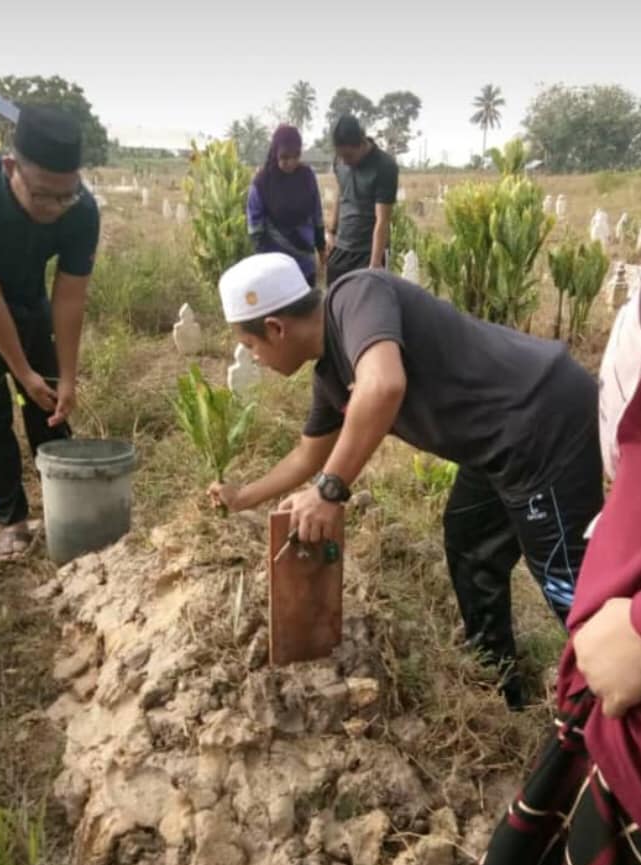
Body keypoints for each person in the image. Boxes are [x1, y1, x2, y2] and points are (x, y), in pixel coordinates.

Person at [462, 4, 641, 865]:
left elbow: (373, 404)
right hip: (631, 697)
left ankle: (532, 631)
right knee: (470, 542)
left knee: (540, 548)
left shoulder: (360, 326)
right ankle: (499, 650)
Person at [210, 254, 604, 709]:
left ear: (276, 328)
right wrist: (243, 497)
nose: (253, 358)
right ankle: (499, 683)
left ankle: (638, 697)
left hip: (542, 418)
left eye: (250, 344)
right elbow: (306, 455)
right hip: (495, 444)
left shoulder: (356, 295)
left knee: (570, 583)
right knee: (470, 542)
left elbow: (382, 386)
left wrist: (329, 491)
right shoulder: (331, 376)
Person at [0, 105, 100, 559]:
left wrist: (64, 376)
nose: (55, 208)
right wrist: (20, 371)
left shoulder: (81, 210)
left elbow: (70, 298)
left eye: (65, 196)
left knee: (49, 403)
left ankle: (61, 506)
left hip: (28, 301)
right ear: (11, 167)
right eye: (43, 196)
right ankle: (11, 520)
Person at [247, 125, 326, 286]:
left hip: (306, 264)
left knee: (308, 309)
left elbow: (317, 215)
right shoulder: (262, 183)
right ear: (275, 152)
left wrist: (322, 250)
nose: (291, 162)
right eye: (284, 157)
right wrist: (264, 266)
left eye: (295, 156)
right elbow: (256, 230)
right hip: (275, 269)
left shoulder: (307, 176)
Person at [326, 115, 398, 286]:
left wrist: (374, 264)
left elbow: (383, 219)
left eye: (348, 156)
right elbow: (341, 193)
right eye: (340, 155)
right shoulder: (339, 161)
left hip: (368, 251)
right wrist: (331, 231)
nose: (344, 161)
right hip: (341, 248)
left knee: (366, 308)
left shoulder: (384, 166)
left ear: (361, 143)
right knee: (334, 303)